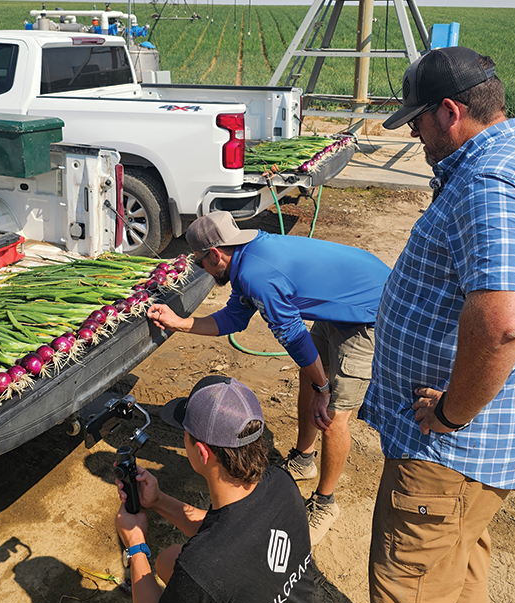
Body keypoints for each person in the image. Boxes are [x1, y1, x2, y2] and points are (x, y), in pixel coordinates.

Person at [360, 46, 515, 603]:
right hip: (474, 461)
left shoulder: (491, 185)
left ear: (450, 112)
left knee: (407, 601)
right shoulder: (505, 164)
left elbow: (504, 320)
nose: (416, 136)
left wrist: (452, 411)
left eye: (418, 122)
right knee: (461, 561)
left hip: (449, 449)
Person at [80, 374, 333, 603]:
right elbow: (227, 535)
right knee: (171, 559)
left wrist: (136, 546)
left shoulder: (204, 564)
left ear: (201, 452)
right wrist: (158, 502)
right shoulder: (280, 482)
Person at [147, 211, 390, 544]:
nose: (201, 268)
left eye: (201, 261)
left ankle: (325, 503)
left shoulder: (256, 274)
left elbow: (292, 335)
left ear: (216, 254)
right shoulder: (248, 257)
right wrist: (182, 322)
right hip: (338, 306)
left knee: (333, 415)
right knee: (311, 378)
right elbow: (233, 318)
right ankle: (304, 460)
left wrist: (323, 388)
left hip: (369, 312)